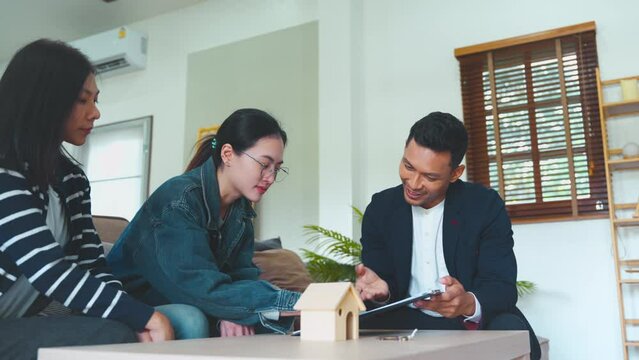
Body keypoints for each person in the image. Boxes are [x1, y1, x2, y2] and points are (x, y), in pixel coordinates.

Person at [0, 39, 178, 359]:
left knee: (176, 322)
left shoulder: (71, 179)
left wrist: (130, 313)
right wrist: (141, 316)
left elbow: (92, 265)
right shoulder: (4, 170)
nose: (95, 113)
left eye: (95, 100)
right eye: (83, 101)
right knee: (115, 333)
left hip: (33, 314)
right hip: (14, 319)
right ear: (45, 100)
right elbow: (46, 267)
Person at [355, 112, 541, 360]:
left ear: (455, 173)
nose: (413, 183)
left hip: (467, 322)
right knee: (354, 329)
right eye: (408, 166)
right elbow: (381, 280)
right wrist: (381, 290)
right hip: (407, 320)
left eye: (430, 177)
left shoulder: (484, 206)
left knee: (513, 332)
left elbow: (501, 287)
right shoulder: (381, 208)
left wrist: (467, 303)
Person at [107, 108, 301, 337]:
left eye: (277, 168)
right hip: (135, 303)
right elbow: (197, 284)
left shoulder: (241, 214)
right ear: (227, 154)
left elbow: (242, 277)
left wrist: (233, 311)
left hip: (190, 296)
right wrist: (298, 303)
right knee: (192, 320)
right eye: (264, 164)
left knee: (262, 322)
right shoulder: (178, 201)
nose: (270, 177)